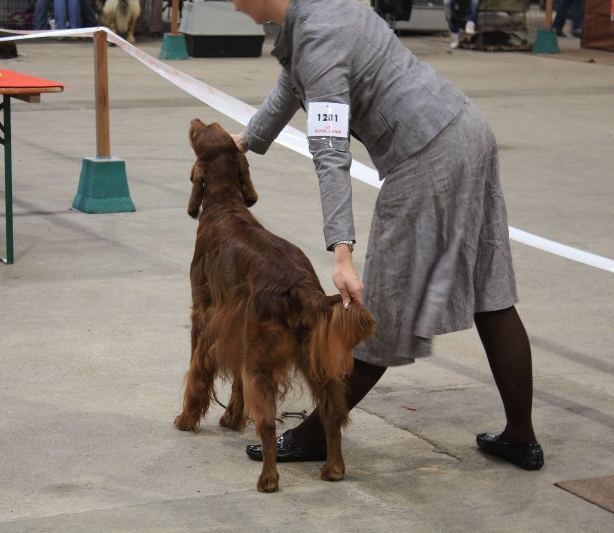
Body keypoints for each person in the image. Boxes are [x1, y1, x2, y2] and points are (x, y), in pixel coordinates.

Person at [231, 0, 544, 470]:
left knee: (372, 313)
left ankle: (318, 434)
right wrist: (244, 142)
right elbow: (293, 85)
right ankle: (522, 438)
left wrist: (342, 252)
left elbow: (330, 149)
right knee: (490, 292)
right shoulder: (320, 13)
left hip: (426, 156)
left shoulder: (316, 39)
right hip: (465, 128)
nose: (232, 6)